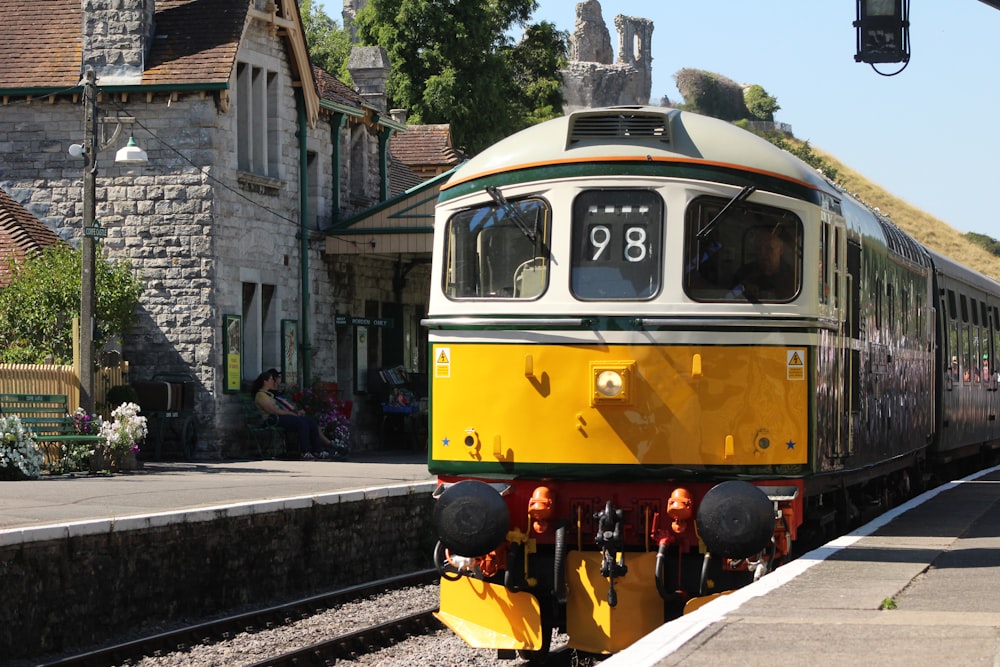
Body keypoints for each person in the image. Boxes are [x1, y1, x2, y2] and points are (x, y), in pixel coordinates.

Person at [251, 369, 346, 460]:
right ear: (265, 382)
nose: (273, 381)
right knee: (301, 423)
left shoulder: (270, 394)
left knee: (310, 422)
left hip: (281, 416)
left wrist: (293, 413)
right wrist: (291, 414)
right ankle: (305, 451)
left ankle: (318, 450)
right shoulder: (260, 395)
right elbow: (273, 411)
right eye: (271, 379)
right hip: (272, 419)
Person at [729, 229, 795, 301]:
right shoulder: (744, 272)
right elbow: (728, 296)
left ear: (781, 250)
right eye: (758, 248)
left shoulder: (792, 276)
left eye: (769, 248)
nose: (762, 254)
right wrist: (743, 290)